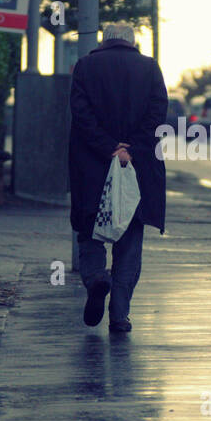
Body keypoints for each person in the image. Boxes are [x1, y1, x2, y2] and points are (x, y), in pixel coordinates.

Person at [68, 24, 168, 332]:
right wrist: (130, 148)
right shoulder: (150, 68)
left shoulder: (85, 66)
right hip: (136, 168)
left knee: (90, 230)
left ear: (105, 40)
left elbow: (80, 113)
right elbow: (157, 114)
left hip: (92, 165)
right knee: (130, 236)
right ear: (132, 42)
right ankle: (120, 315)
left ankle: (97, 277)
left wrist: (109, 147)